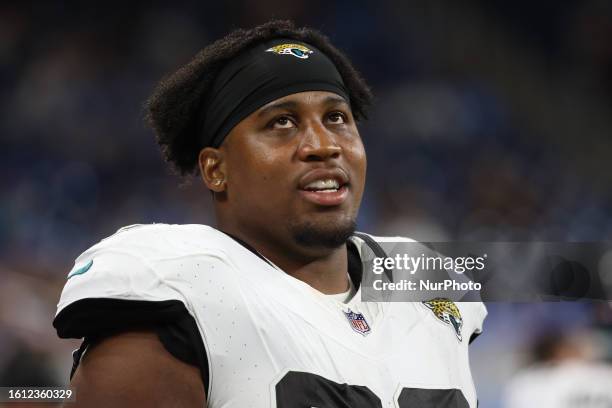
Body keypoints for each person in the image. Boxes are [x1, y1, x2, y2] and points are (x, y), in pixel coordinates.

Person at [54, 20, 486, 407]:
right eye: (281, 122)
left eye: (337, 117)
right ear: (215, 169)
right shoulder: (179, 291)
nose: (323, 144)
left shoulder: (423, 284)